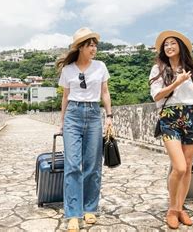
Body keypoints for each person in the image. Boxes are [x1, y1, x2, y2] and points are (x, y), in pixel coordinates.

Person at [56, 27, 113, 232]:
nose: (94, 48)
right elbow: (65, 97)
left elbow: (105, 92)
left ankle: (90, 208)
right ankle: (73, 213)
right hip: (73, 114)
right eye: (90, 45)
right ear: (80, 47)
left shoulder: (100, 67)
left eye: (95, 45)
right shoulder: (68, 70)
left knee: (92, 165)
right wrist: (62, 122)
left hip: (93, 114)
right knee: (73, 164)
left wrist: (109, 116)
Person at [149, 30, 193, 229]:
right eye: (166, 45)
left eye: (172, 43)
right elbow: (156, 96)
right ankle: (172, 210)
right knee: (179, 166)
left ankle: (180, 208)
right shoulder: (158, 69)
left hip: (191, 116)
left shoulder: (192, 69)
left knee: (188, 165)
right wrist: (177, 82)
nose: (169, 47)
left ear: (180, 47)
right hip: (170, 117)